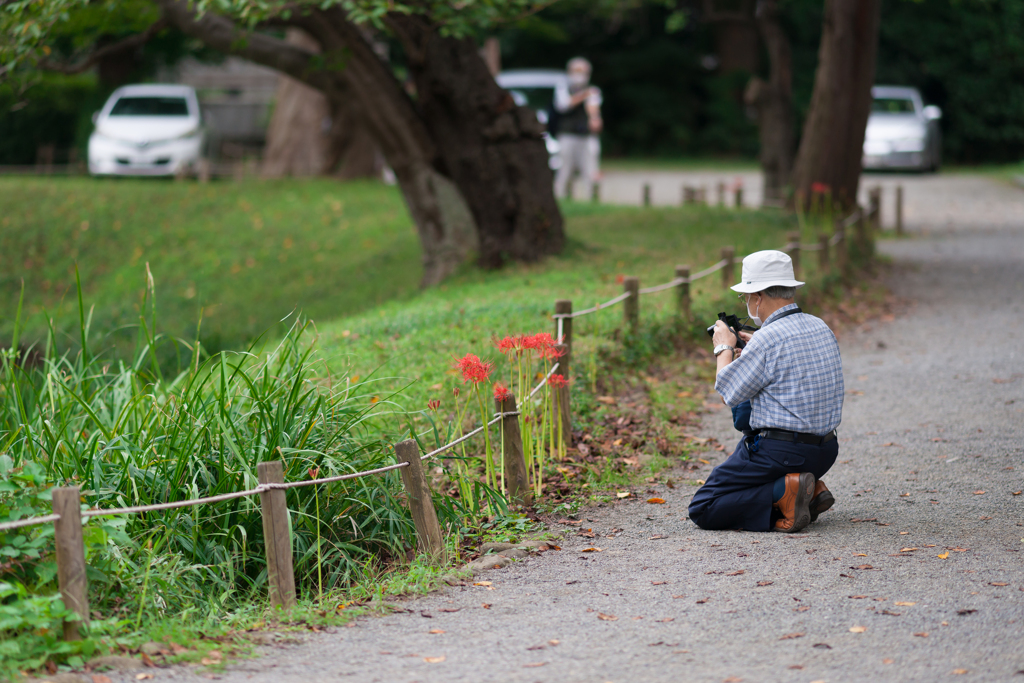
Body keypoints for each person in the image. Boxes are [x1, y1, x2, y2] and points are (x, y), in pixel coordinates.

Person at [688, 250, 844, 533]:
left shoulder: (767, 340)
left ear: (758, 297)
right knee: (745, 480)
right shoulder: (819, 326)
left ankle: (784, 491)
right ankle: (806, 488)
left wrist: (723, 347)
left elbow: (727, 392)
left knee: (705, 506)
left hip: (783, 454)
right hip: (825, 451)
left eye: (746, 297)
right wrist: (755, 347)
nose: (747, 303)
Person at [553, 57, 602, 199]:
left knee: (590, 170)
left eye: (583, 72)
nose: (580, 75)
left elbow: (593, 107)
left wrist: (595, 118)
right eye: (577, 71)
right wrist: (583, 95)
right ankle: (559, 197)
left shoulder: (592, 90)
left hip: (586, 136)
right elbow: (563, 105)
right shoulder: (563, 88)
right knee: (564, 170)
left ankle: (591, 198)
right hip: (567, 135)